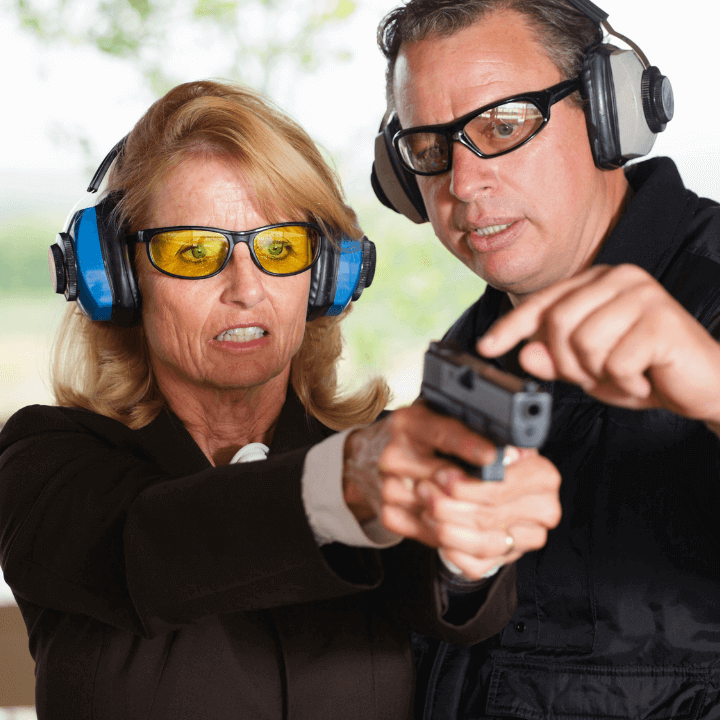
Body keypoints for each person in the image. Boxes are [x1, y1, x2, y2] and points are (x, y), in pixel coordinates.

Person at [0, 80, 561, 719]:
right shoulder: (44, 462)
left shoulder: (387, 452)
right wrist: (347, 485)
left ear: (325, 274)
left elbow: (451, 602)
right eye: (193, 251)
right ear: (118, 278)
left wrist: (472, 541)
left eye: (280, 248)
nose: (246, 288)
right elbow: (155, 549)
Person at [371, 0, 720, 717]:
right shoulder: (471, 349)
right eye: (431, 148)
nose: (463, 186)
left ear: (608, 112)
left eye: (502, 126)